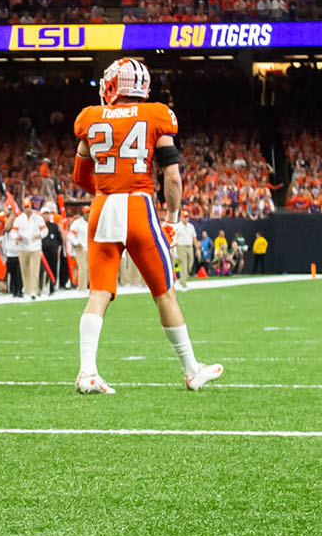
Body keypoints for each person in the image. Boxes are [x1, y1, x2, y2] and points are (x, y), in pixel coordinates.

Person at [70, 58, 223, 396]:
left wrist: (106, 187)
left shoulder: (90, 118)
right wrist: (171, 219)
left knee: (99, 293)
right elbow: (172, 175)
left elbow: (80, 175)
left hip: (102, 206)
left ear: (114, 85)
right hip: (138, 206)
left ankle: (87, 372)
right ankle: (190, 370)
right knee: (164, 292)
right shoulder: (156, 115)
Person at [10, 199, 46, 298]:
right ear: (23, 208)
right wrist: (16, 237)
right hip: (23, 247)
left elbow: (45, 230)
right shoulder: (19, 219)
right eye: (25, 207)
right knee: (25, 270)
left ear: (31, 206)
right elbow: (13, 232)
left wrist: (40, 235)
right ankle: (27, 290)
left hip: (35, 246)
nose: (27, 209)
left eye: (28, 207)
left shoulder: (38, 218)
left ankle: (34, 290)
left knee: (35, 270)